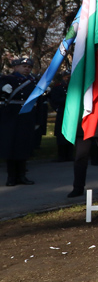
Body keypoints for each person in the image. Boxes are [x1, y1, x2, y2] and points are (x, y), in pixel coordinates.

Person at [0, 56, 41, 186]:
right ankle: (11, 177)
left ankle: (22, 176)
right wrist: (3, 87)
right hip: (11, 118)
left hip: (26, 117)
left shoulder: (33, 81)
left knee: (24, 146)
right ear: (16, 67)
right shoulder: (8, 79)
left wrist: (38, 120)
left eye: (29, 67)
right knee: (11, 147)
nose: (27, 69)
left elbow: (38, 102)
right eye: (24, 66)